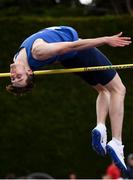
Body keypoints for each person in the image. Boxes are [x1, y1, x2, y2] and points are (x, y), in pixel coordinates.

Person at [7, 26, 131, 172]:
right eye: (19, 77)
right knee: (119, 89)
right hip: (79, 52)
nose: (14, 75)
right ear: (29, 72)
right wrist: (106, 39)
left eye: (13, 78)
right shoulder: (38, 52)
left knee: (103, 90)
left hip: (69, 59)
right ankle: (117, 142)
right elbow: (74, 45)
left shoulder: (17, 59)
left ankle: (101, 127)